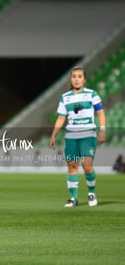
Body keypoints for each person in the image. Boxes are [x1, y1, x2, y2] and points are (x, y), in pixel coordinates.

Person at [50, 66, 106, 208]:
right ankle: (73, 198)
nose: (76, 79)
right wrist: (54, 135)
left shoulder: (92, 94)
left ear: (84, 79)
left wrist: (102, 130)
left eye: (79, 76)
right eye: (74, 76)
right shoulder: (65, 97)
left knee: (87, 165)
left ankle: (91, 193)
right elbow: (61, 118)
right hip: (71, 136)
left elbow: (100, 113)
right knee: (72, 166)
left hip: (88, 134)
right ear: (71, 79)